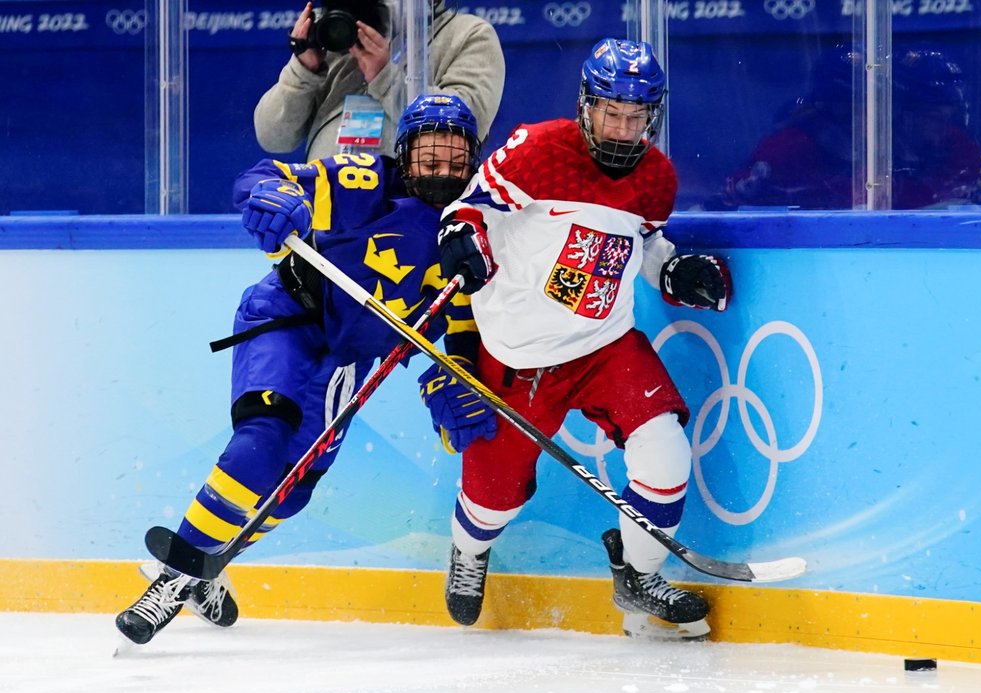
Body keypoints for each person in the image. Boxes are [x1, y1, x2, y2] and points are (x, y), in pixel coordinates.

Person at [114, 94, 483, 645]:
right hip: (287, 318)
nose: (441, 174)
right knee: (262, 441)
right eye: (429, 161)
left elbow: (461, 320)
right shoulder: (363, 185)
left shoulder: (474, 225)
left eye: (454, 163)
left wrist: (454, 373)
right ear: (405, 156)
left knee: (292, 487)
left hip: (350, 356)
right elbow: (264, 176)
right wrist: (274, 197)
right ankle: (177, 576)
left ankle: (211, 562)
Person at [417, 38, 732, 641]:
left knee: (663, 443)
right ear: (585, 106)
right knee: (492, 501)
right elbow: (467, 210)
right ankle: (468, 549)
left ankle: (639, 575)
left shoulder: (657, 177)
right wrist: (461, 237)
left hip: (606, 345)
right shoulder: (537, 150)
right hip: (517, 355)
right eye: (610, 113)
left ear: (652, 117)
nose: (620, 129)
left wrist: (669, 269)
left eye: (635, 117)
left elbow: (642, 246)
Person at [712, 43, 981, 211]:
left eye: (876, 101)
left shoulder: (956, 145)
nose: (864, 115)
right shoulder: (789, 147)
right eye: (850, 107)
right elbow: (734, 201)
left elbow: (910, 205)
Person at [254, 0, 505, 161]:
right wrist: (303, 69)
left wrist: (384, 75)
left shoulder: (468, 34)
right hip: (327, 218)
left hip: (414, 217)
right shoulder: (337, 30)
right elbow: (273, 137)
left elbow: (465, 125)